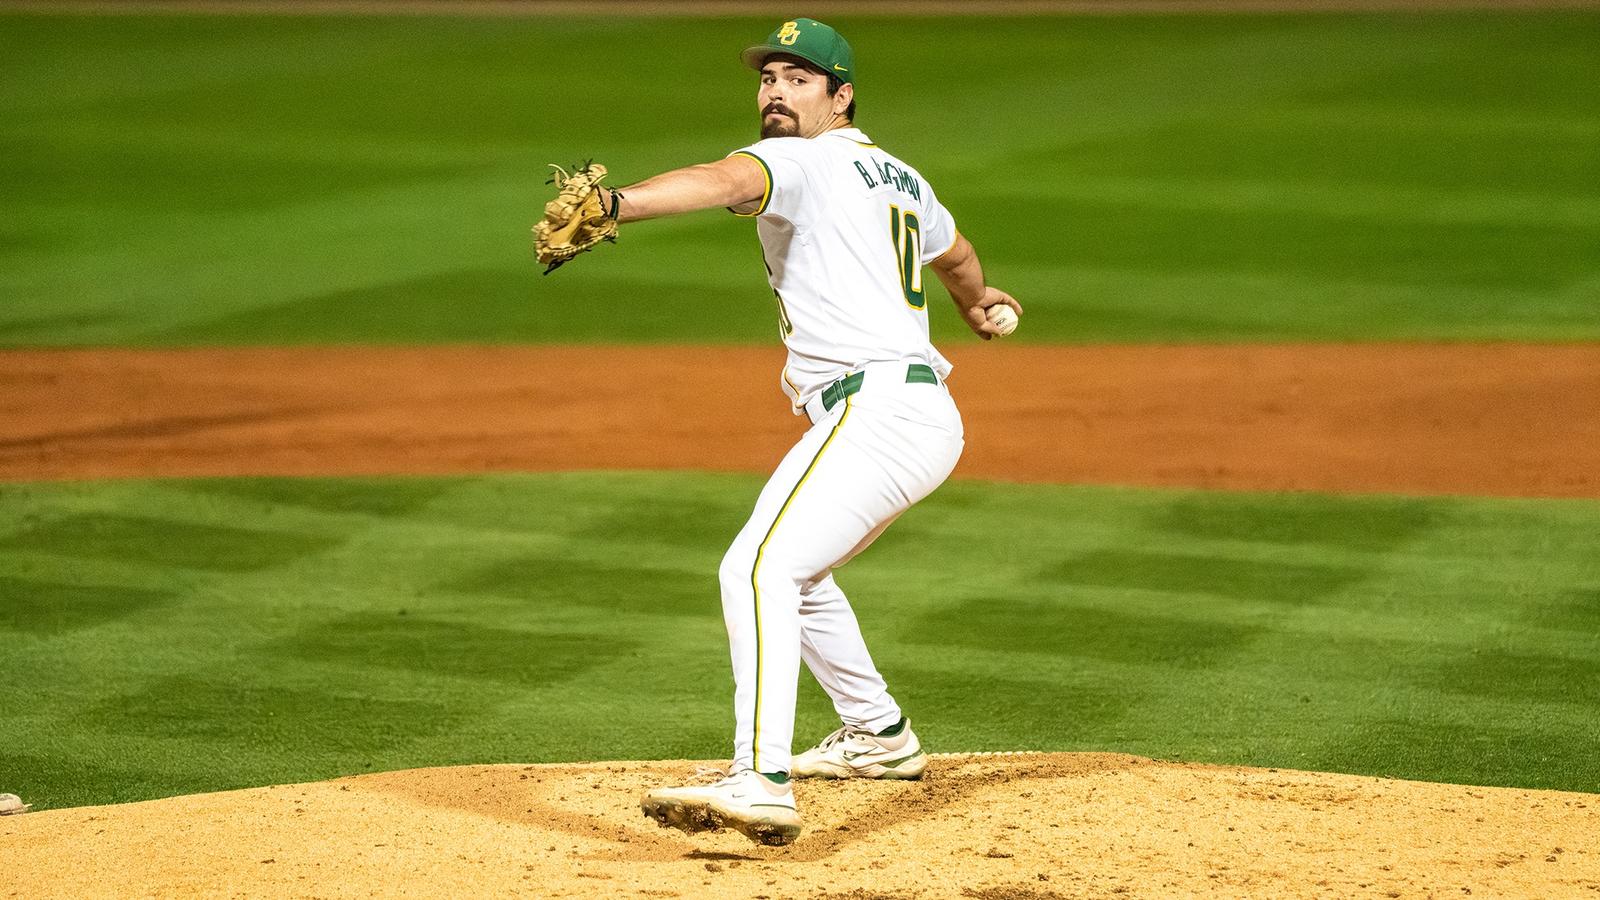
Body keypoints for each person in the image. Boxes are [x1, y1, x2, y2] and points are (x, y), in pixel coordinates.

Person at [599, 18, 1022, 846]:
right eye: (768, 79)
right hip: (909, 413)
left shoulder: (799, 160)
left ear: (841, 95)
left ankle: (760, 779)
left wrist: (621, 204)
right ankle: (878, 735)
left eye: (799, 79)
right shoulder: (899, 174)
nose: (776, 93)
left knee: (755, 567)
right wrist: (976, 302)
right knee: (799, 571)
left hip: (880, 412)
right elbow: (957, 252)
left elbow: (722, 181)